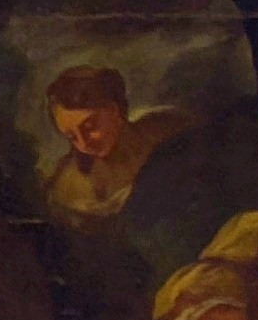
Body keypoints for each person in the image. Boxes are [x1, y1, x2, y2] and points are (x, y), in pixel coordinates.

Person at [40, 66, 184, 230]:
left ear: (114, 110)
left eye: (90, 127)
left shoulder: (169, 130)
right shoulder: (73, 188)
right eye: (72, 137)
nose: (84, 143)